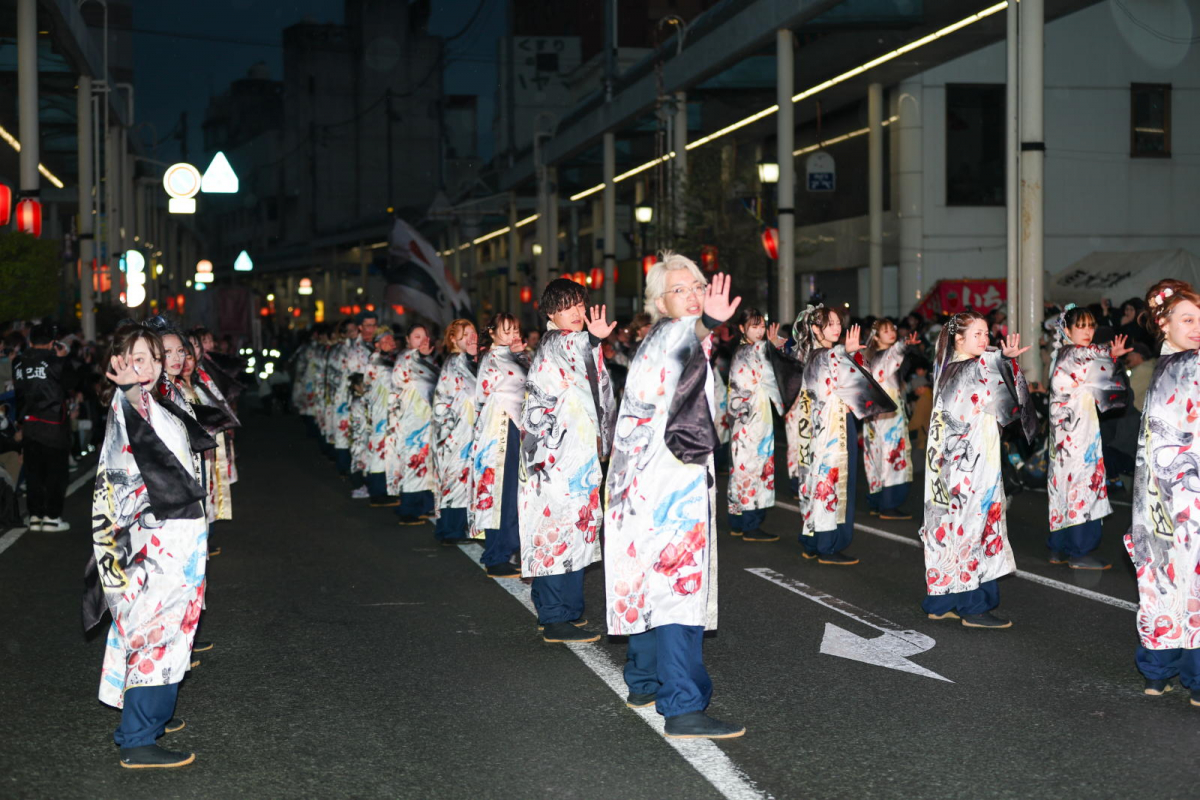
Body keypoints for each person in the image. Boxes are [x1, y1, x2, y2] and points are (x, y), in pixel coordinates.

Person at [604, 256, 745, 739]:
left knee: (649, 586)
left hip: (645, 487)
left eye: (697, 286)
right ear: (660, 302)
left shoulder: (660, 340)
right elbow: (690, 336)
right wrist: (708, 321)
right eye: (679, 289)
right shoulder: (672, 336)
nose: (691, 294)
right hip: (669, 490)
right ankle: (683, 705)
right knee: (678, 593)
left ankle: (644, 681)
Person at [82, 323, 216, 769]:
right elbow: (137, 418)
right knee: (153, 634)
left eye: (148, 358)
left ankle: (148, 722)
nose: (141, 367)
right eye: (131, 359)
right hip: (155, 544)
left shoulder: (159, 401)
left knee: (171, 632)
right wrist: (132, 389)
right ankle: (139, 737)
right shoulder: (132, 405)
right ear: (117, 366)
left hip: (178, 540)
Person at [919, 312, 1035, 629]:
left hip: (950, 465)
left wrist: (1004, 363)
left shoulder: (947, 368)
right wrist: (1006, 362)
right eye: (978, 334)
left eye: (987, 334)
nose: (985, 340)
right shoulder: (970, 368)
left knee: (950, 531)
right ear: (959, 338)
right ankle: (974, 604)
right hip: (970, 465)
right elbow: (1005, 405)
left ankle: (941, 602)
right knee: (975, 528)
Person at [519, 279, 616, 644]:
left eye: (580, 305)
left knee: (574, 528)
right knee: (559, 529)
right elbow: (576, 346)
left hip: (573, 456)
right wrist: (592, 339)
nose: (576, 313)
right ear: (550, 313)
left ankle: (561, 610)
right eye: (566, 306)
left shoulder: (560, 344)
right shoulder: (557, 343)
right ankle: (556, 615)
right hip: (556, 459)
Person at [1125, 279, 1200, 704]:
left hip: (1157, 501)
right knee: (1191, 583)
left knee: (1161, 581)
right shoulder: (1190, 365)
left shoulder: (1163, 368)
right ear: (1163, 324)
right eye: (1186, 320)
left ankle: (1158, 672)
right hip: (1189, 497)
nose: (1196, 327)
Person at [792, 305, 895, 565]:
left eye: (839, 323)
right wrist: (844, 353)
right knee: (831, 483)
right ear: (816, 329)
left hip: (831, 426)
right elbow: (834, 362)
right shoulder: (820, 355)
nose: (837, 328)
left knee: (822, 483)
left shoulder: (819, 355)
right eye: (830, 324)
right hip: (830, 431)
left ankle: (815, 541)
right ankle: (827, 545)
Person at [1046, 305, 1129, 569]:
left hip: (1063, 438)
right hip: (1078, 437)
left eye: (1090, 325)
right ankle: (1080, 551)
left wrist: (1108, 356)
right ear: (1067, 330)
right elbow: (1095, 359)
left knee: (1063, 489)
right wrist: (1110, 353)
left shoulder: (1062, 354)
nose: (1087, 331)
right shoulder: (1078, 354)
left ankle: (1059, 548)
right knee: (1084, 487)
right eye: (1080, 326)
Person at [726, 308, 797, 543]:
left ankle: (737, 521)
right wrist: (774, 346)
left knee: (741, 469)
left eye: (761, 326)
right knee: (753, 469)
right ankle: (751, 524)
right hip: (753, 419)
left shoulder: (743, 350)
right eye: (754, 326)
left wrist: (772, 347)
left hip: (748, 418)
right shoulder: (751, 350)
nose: (759, 331)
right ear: (742, 328)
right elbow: (772, 373)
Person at [471, 313, 527, 579]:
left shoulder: (511, 355)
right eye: (506, 330)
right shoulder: (491, 359)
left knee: (511, 493)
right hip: (501, 428)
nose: (512, 334)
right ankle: (495, 555)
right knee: (500, 494)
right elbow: (481, 397)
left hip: (513, 427)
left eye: (515, 329)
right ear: (492, 332)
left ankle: (503, 550)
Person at [13, 322, 77, 532]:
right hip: (53, 426)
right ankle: (51, 516)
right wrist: (63, 357)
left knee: (34, 473)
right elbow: (70, 383)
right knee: (55, 473)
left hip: (30, 424)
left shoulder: (19, 364)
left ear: (30, 341)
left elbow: (19, 394)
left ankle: (35, 516)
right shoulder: (55, 360)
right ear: (52, 342)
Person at [863, 319, 919, 520]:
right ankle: (889, 503)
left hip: (874, 412)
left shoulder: (870, 357)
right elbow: (895, 353)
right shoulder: (883, 356)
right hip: (887, 412)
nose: (891, 332)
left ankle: (877, 501)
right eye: (885, 331)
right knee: (891, 454)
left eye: (892, 329)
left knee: (876, 456)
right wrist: (903, 344)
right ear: (876, 337)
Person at [431, 319, 478, 545]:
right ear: (453, 339)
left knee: (464, 480)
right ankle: (451, 529)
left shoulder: (469, 362)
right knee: (456, 480)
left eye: (473, 332)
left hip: (468, 433)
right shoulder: (454, 364)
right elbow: (445, 402)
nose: (471, 337)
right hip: (456, 435)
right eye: (464, 334)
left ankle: (457, 527)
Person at [391, 324, 439, 524]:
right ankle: (408, 510)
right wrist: (416, 354)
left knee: (427, 464)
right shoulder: (405, 359)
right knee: (413, 464)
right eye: (417, 336)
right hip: (411, 422)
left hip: (427, 420)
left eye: (425, 336)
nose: (422, 340)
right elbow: (399, 379)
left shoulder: (426, 361)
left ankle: (425, 505)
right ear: (408, 340)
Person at [364, 328, 400, 507]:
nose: (392, 342)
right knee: (379, 452)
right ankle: (377, 493)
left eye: (392, 339)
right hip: (381, 414)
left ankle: (382, 491)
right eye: (386, 340)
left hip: (384, 413)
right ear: (377, 344)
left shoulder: (384, 360)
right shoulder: (378, 362)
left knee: (383, 452)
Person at [347, 312, 377, 499]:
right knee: (359, 444)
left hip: (375, 403)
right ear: (360, 327)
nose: (370, 329)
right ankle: (359, 483)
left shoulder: (374, 346)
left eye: (373, 325)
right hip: (360, 402)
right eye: (367, 325)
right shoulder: (355, 349)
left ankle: (370, 481)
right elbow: (354, 378)